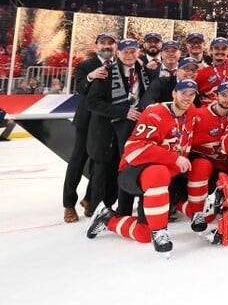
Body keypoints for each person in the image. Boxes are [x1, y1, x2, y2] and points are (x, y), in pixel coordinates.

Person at [85, 80, 204, 257]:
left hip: (161, 182)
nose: (187, 97)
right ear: (173, 94)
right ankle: (160, 232)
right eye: (183, 93)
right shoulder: (155, 113)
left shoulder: (191, 113)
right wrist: (174, 158)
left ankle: (107, 218)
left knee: (143, 234)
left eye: (191, 94)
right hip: (134, 172)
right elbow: (135, 148)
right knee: (159, 172)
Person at [85, 38, 149, 217]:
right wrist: (123, 112)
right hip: (107, 131)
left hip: (131, 130)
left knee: (126, 169)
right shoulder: (105, 73)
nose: (129, 55)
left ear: (138, 53)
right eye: (125, 52)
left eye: (133, 51)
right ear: (118, 53)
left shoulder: (144, 71)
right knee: (103, 172)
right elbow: (92, 102)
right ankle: (97, 211)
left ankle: (122, 210)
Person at [62, 32, 115, 223]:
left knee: (101, 163)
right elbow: (80, 89)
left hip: (106, 122)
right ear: (97, 45)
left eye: (110, 43)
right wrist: (90, 77)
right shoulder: (85, 65)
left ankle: (89, 199)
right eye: (103, 43)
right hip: (87, 121)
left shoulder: (117, 65)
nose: (107, 46)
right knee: (77, 161)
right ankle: (69, 204)